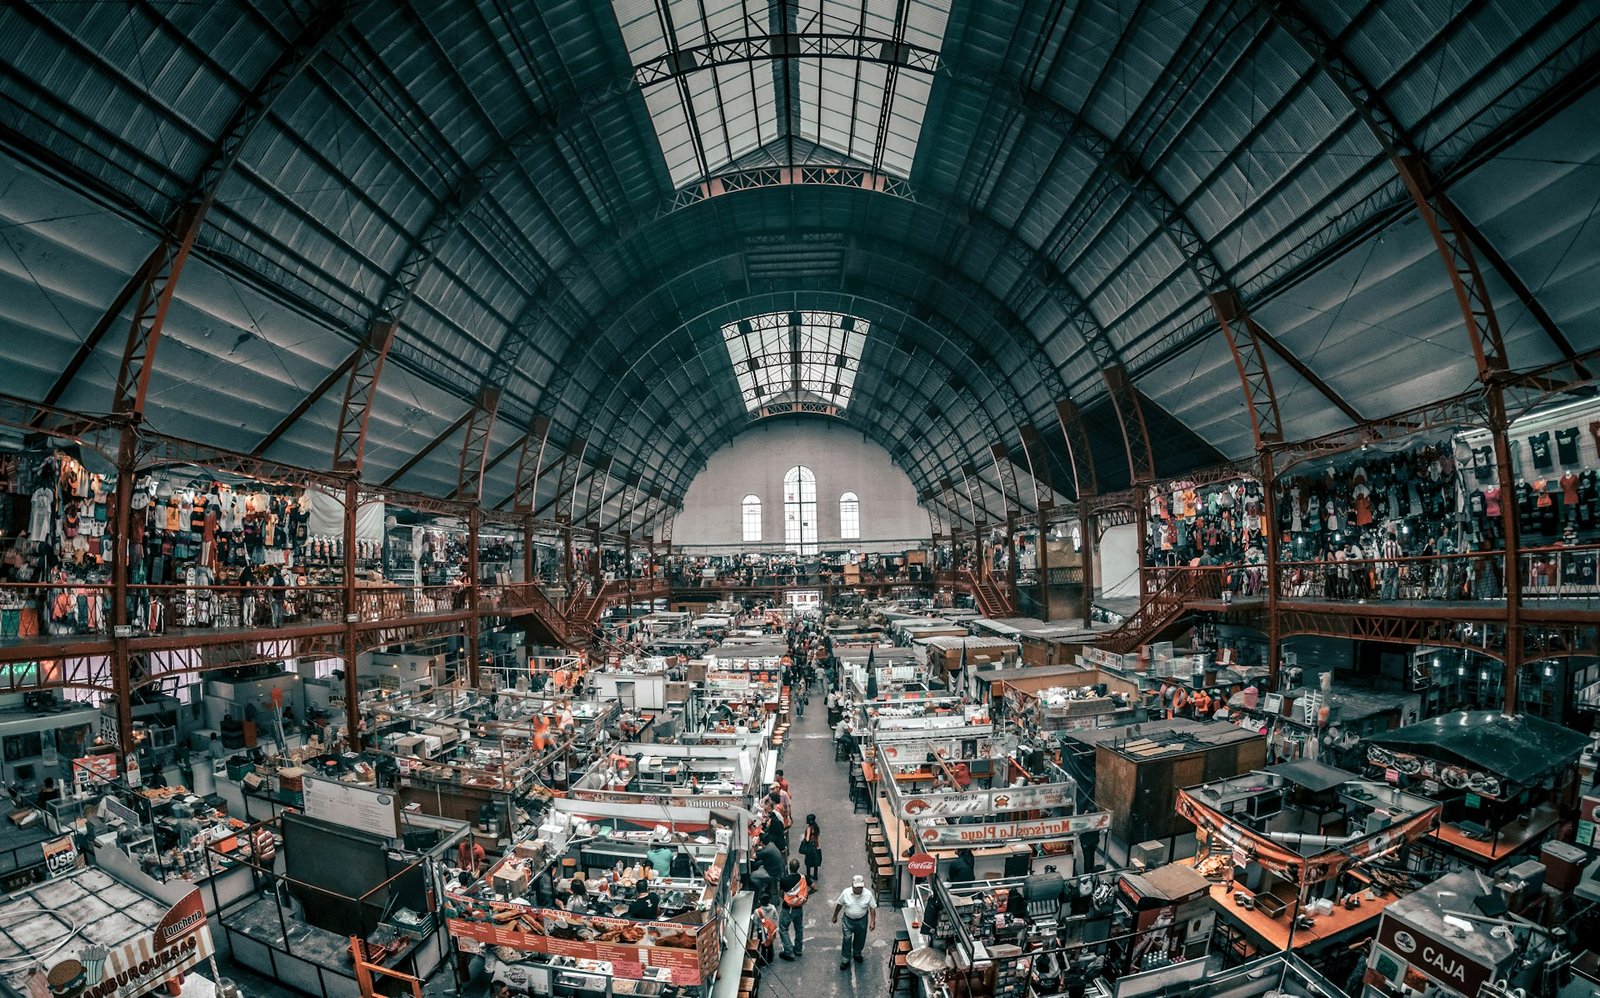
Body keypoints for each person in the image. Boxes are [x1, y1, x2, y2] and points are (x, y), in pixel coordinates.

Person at [831, 874, 878, 968]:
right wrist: (835, 916)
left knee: (860, 938)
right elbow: (839, 904)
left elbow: (872, 908)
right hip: (848, 920)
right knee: (847, 938)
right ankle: (846, 959)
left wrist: (872, 921)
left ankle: (857, 953)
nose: (859, 889)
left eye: (861, 887)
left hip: (862, 920)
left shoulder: (868, 894)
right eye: (857, 887)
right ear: (852, 885)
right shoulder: (846, 892)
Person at [778, 858, 808, 960]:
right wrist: (804, 897)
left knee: (783, 929)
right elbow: (814, 887)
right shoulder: (803, 878)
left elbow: (781, 893)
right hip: (799, 908)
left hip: (787, 908)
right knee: (799, 928)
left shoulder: (784, 880)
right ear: (798, 867)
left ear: (789, 867)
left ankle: (788, 952)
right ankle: (798, 949)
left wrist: (788, 898)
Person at [754, 836, 785, 904]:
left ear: (761, 842)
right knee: (758, 864)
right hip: (776, 868)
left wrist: (755, 846)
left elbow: (753, 856)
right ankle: (765, 885)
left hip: (772, 872)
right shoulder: (771, 844)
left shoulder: (766, 851)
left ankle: (761, 887)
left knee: (752, 876)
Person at [800, 814, 822, 883]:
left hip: (810, 847)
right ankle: (815, 875)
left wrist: (803, 838)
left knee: (808, 862)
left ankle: (808, 876)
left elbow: (807, 839)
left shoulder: (809, 828)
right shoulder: (816, 827)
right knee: (815, 861)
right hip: (817, 846)